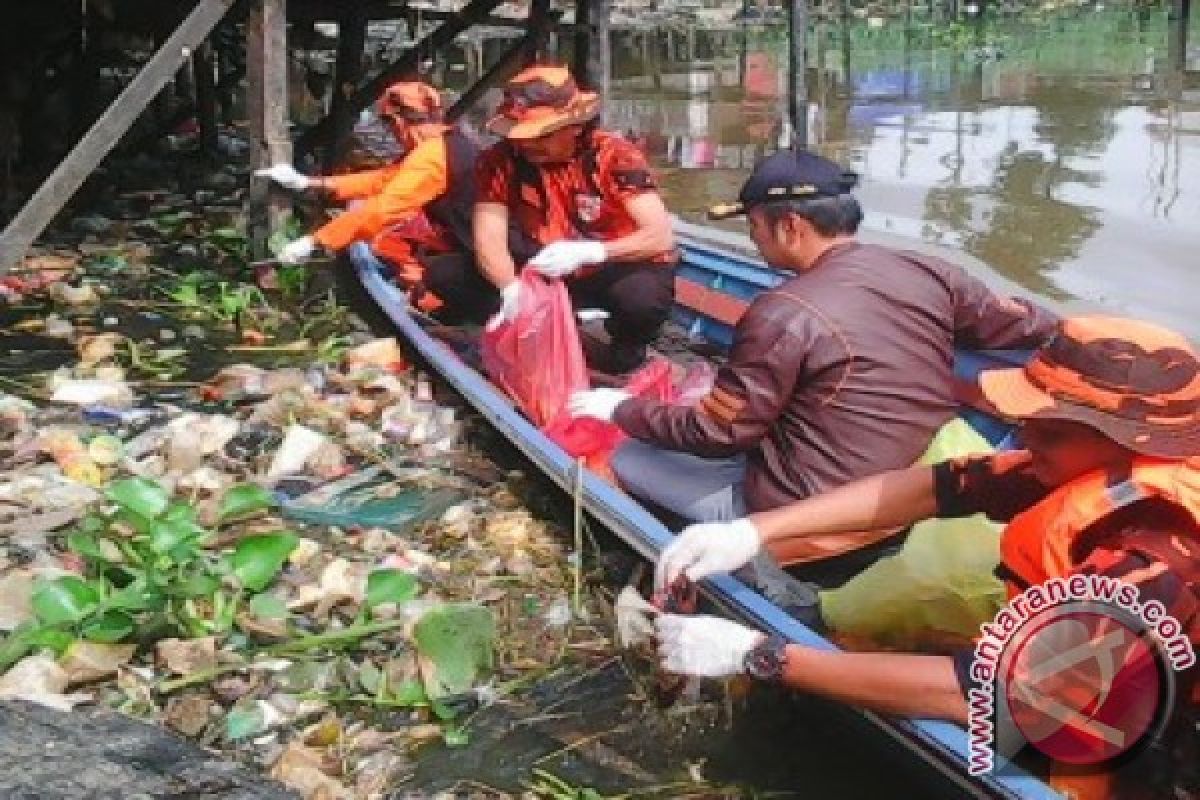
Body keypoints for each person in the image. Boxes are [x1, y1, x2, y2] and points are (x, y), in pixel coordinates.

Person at [653, 316, 1199, 799]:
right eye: (1030, 422)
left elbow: (994, 694)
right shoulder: (1094, 472)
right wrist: (753, 530)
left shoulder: (1154, 557)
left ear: (1134, 441)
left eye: (1049, 431)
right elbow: (940, 487)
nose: (1026, 440)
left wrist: (762, 656)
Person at [568, 148, 1058, 576]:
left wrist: (619, 409)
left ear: (790, 226)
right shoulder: (924, 269)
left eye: (755, 226)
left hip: (808, 514)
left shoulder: (782, 313)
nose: (755, 239)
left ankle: (680, 550)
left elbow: (718, 435)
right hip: (910, 483)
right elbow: (1014, 322)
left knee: (626, 456)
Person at [450, 64, 676, 374]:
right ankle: (540, 324)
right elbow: (489, 239)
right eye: (522, 136)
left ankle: (625, 345)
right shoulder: (498, 161)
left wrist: (593, 252)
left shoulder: (614, 155)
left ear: (575, 126)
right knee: (447, 276)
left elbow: (659, 236)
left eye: (541, 136)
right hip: (547, 263)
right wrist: (511, 289)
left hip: (613, 264)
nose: (528, 144)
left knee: (642, 300)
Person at [255, 80, 478, 314]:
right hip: (471, 241)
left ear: (399, 122)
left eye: (389, 128)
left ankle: (452, 311)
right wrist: (309, 183)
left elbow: (382, 210)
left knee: (427, 276)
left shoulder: (431, 157)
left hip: (478, 253)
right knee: (395, 247)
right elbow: (383, 179)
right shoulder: (443, 144)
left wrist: (315, 241)